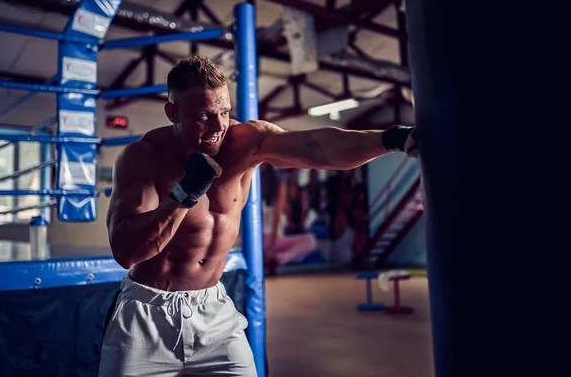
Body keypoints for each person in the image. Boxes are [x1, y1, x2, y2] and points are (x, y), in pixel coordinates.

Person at [98, 54, 418, 376]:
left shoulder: (245, 142)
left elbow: (315, 146)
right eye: (204, 116)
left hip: (213, 312)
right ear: (173, 112)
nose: (218, 126)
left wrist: (392, 139)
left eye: (224, 112)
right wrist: (183, 195)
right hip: (147, 316)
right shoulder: (143, 157)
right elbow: (127, 252)